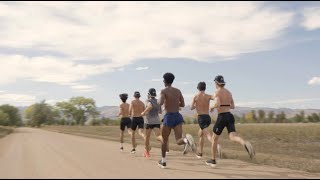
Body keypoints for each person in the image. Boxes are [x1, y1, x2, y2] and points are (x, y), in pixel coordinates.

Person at [206, 75, 255, 168]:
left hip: (222, 117)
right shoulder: (229, 92)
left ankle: (213, 160)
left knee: (214, 139)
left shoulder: (217, 92)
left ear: (216, 83)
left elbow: (217, 103)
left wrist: (211, 107)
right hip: (230, 116)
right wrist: (225, 105)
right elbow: (232, 106)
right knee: (233, 136)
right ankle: (245, 143)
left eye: (214, 83)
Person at [158, 72, 197, 169]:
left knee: (164, 140)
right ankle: (186, 140)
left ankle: (163, 162)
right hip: (178, 116)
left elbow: (161, 102)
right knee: (178, 140)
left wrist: (160, 101)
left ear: (164, 81)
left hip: (169, 117)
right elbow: (183, 104)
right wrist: (174, 104)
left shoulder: (163, 91)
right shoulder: (178, 91)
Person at [191, 82, 222, 159]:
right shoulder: (208, 96)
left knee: (208, 135)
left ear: (198, 88)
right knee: (200, 134)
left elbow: (191, 107)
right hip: (208, 117)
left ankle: (217, 146)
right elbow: (216, 98)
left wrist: (197, 105)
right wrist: (213, 106)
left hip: (201, 118)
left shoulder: (195, 96)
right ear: (205, 88)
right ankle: (200, 153)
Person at [141, 88, 163, 158]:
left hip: (149, 121)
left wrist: (144, 112)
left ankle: (147, 153)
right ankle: (163, 140)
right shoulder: (158, 101)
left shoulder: (148, 100)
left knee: (147, 137)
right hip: (156, 121)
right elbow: (160, 112)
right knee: (158, 136)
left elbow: (150, 106)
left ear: (149, 94)